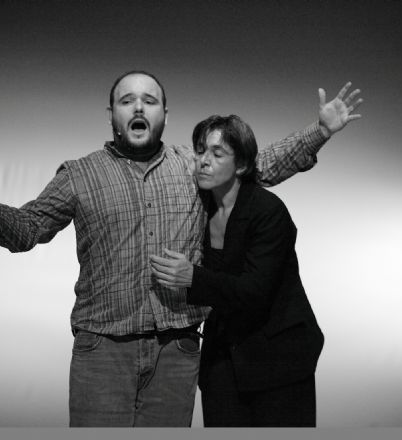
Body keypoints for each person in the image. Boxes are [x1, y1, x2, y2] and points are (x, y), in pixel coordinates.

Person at [0, 70, 362, 427]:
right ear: (112, 115)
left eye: (150, 101)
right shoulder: (78, 175)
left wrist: (320, 131)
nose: (139, 107)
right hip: (104, 350)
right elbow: (29, 228)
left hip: (178, 350)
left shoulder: (193, 166)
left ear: (164, 116)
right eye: (127, 100)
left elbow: (259, 165)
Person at [149, 110, 360, 426]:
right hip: (224, 358)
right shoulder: (200, 208)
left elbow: (255, 291)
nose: (203, 160)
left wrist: (193, 277)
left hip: (278, 358)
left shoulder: (267, 211)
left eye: (217, 153)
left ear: (242, 165)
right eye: (201, 150)